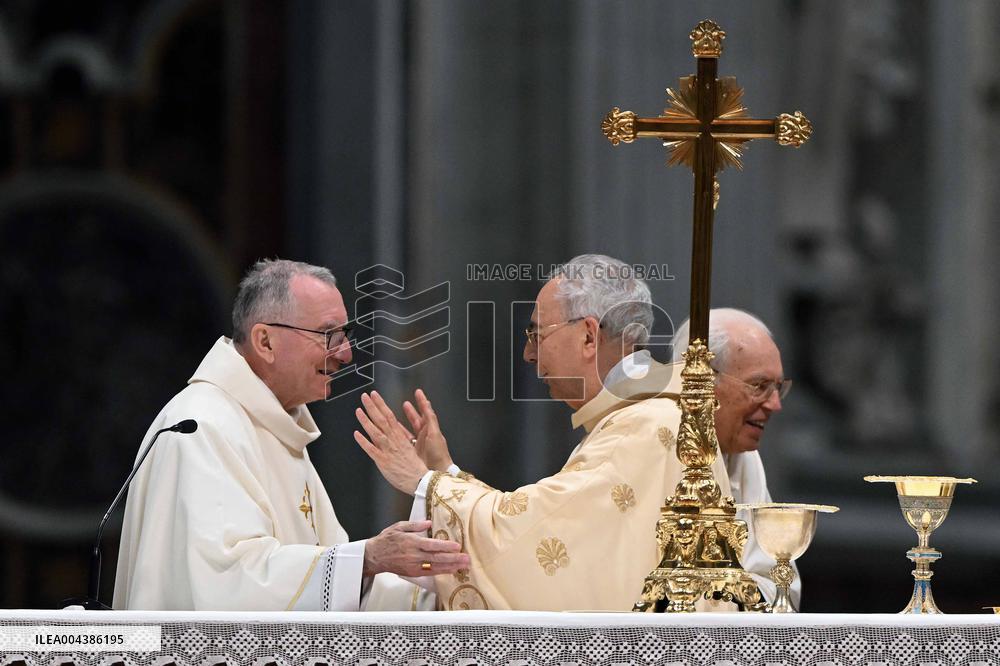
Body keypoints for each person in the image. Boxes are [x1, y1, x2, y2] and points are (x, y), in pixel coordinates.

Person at [354, 254, 734, 611]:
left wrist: (425, 482)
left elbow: (534, 538)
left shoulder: (644, 425)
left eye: (537, 334)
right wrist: (445, 471)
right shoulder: (648, 416)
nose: (528, 354)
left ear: (588, 335)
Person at [113, 259, 468, 611]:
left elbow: (339, 584)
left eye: (345, 336)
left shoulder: (276, 427)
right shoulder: (202, 427)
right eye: (329, 335)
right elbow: (229, 582)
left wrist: (446, 590)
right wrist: (367, 558)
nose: (345, 354)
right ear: (265, 341)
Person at [671, 307, 800, 609]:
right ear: (701, 381)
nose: (775, 405)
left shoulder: (746, 458)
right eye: (759, 386)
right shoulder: (656, 446)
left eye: (778, 387)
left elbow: (777, 582)